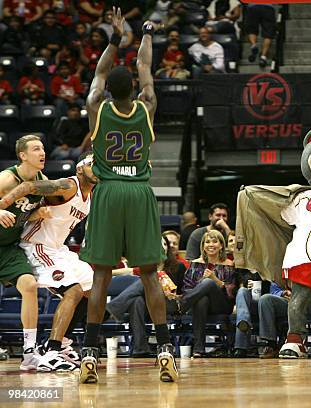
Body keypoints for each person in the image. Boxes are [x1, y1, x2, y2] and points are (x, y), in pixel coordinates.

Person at [77, 9, 178, 384]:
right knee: (150, 273)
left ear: (108, 91)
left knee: (101, 275)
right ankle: (165, 348)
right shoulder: (146, 106)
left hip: (107, 193)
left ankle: (89, 352)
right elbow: (146, 66)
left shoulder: (96, 107)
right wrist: (146, 33)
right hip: (138, 191)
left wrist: (114, 38)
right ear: (133, 90)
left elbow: (101, 73)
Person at [0, 152, 97, 371]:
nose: (97, 168)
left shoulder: (90, 196)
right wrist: (3, 204)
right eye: (93, 164)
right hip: (37, 245)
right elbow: (27, 188)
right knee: (72, 291)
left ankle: (61, 343)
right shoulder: (67, 186)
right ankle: (51, 352)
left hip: (57, 249)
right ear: (80, 168)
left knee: (93, 287)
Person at [0, 135, 46, 371]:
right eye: (36, 149)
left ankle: (29, 351)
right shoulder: (7, 179)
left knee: (29, 285)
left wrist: (37, 214)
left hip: (7, 248)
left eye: (43, 148)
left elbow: (29, 212)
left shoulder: (42, 181)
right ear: (23, 155)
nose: (42, 152)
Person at [106, 235, 186, 357]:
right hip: (149, 305)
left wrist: (173, 295)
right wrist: (101, 273)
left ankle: (113, 308)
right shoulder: (147, 267)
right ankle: (140, 348)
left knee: (145, 280)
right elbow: (128, 271)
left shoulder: (178, 266)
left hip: (169, 304)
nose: (161, 247)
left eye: (164, 244)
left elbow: (183, 292)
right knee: (137, 300)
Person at [179, 230, 240, 357]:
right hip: (199, 304)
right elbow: (186, 287)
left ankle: (182, 303)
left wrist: (215, 280)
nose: (211, 245)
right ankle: (198, 348)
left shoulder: (229, 265)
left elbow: (232, 292)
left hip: (222, 304)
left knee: (209, 283)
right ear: (203, 246)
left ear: (221, 245)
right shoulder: (195, 264)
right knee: (202, 300)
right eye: (207, 242)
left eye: (214, 241)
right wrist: (202, 287)